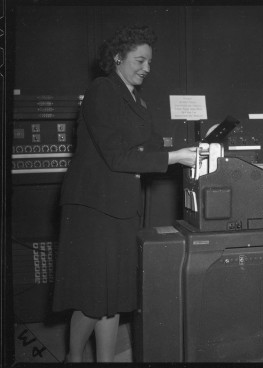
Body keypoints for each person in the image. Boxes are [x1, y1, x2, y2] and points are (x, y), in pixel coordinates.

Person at [52, 25, 197, 362]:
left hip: (118, 206)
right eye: (140, 60)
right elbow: (117, 156)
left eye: (149, 62)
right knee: (93, 295)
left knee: (113, 295)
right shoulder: (102, 90)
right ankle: (73, 359)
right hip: (94, 207)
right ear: (118, 58)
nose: (146, 68)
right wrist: (175, 157)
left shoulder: (134, 98)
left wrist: (186, 148)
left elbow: (147, 144)